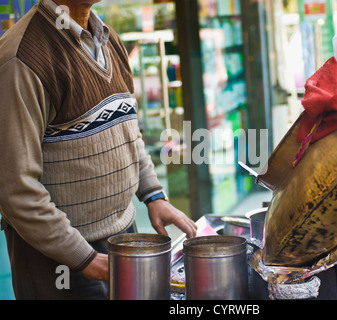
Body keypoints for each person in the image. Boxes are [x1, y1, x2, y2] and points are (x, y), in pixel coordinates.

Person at [0, 0, 197, 299]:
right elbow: (15, 188)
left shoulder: (108, 38)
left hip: (121, 238)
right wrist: (85, 259)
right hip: (62, 262)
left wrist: (153, 195)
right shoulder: (21, 59)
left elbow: (127, 129)